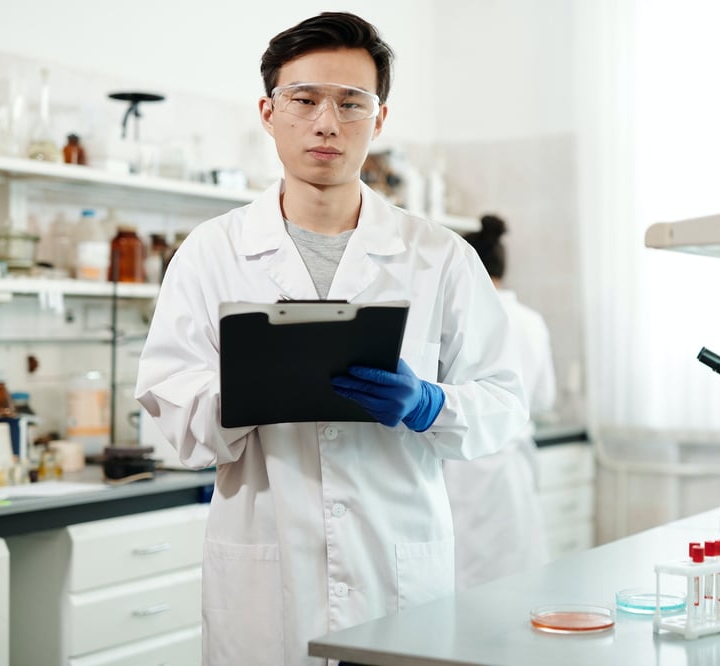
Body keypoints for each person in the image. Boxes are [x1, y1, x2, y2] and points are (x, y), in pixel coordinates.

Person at [134, 12, 528, 666]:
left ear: (379, 119)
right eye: (305, 99)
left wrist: (430, 404)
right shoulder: (210, 253)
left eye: (351, 103)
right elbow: (173, 415)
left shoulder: (440, 257)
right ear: (268, 110)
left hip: (396, 571)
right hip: (265, 570)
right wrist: (245, 392)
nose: (327, 123)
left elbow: (505, 405)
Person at [443, 214, 557, 590]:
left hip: (466, 468)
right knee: (518, 580)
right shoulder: (530, 321)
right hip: (512, 465)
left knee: (467, 585)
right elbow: (543, 398)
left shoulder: (460, 318)